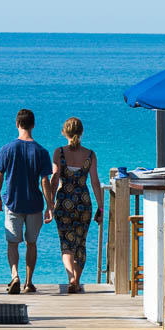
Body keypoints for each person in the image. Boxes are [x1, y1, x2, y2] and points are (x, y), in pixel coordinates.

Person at [0, 109, 53, 294]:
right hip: (34, 204)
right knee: (31, 243)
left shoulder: (7, 149)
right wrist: (50, 205)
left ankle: (14, 275)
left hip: (13, 202)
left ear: (17, 124)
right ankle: (28, 282)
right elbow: (44, 181)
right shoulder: (41, 151)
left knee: (12, 243)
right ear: (33, 125)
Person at [49, 117, 103, 293]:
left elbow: (55, 177)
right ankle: (77, 281)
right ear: (81, 132)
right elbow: (95, 182)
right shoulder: (90, 155)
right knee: (81, 242)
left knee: (66, 243)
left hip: (64, 201)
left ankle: (71, 278)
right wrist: (100, 207)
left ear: (65, 132)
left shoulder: (59, 152)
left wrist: (49, 202)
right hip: (83, 202)